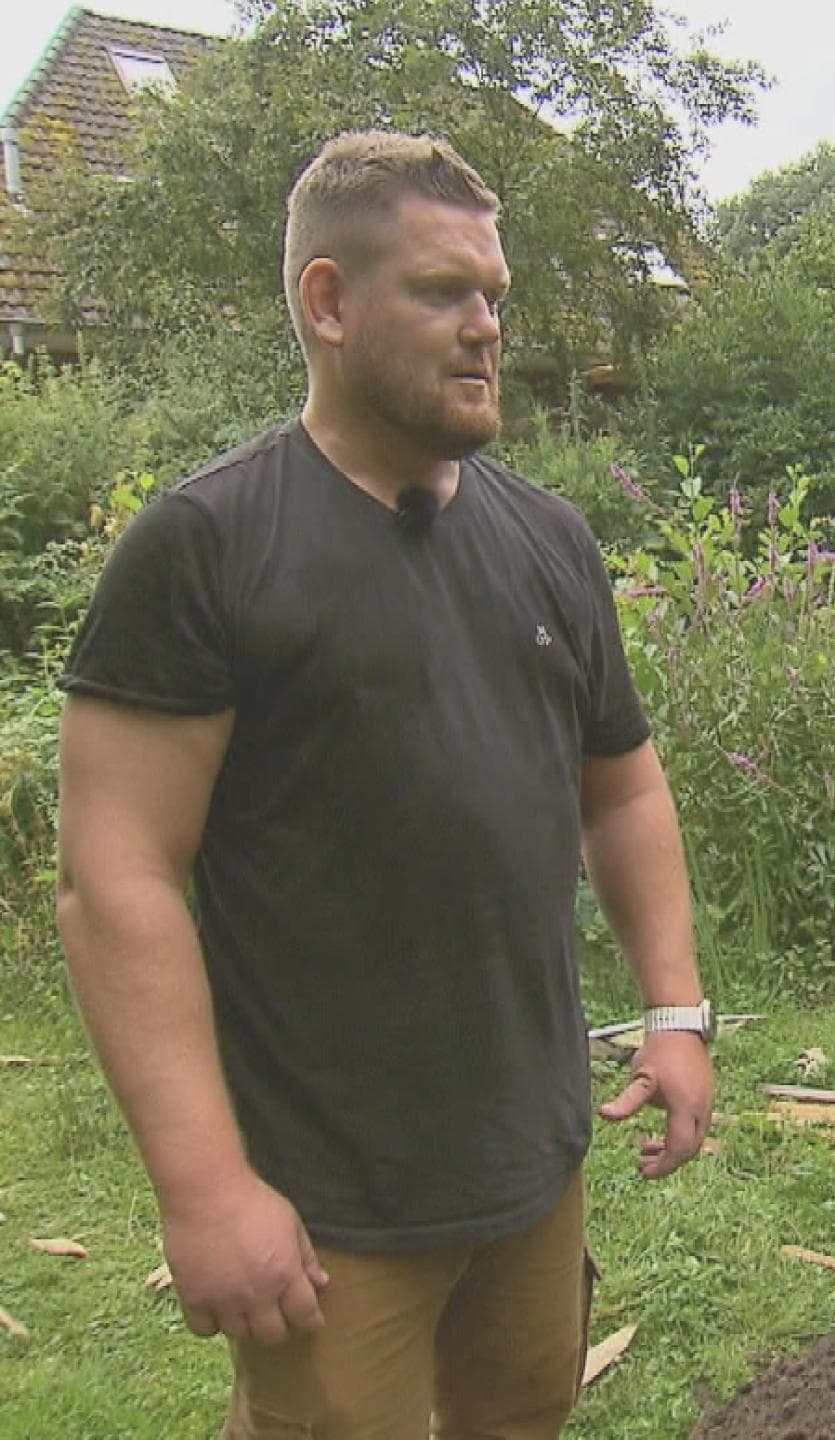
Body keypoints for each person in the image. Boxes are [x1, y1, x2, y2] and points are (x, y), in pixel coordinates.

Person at [54, 131, 715, 1440]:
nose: (485, 328)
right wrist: (204, 1191)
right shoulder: (208, 546)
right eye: (441, 293)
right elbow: (112, 878)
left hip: (530, 1162)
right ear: (329, 302)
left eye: (495, 297)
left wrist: (678, 1009)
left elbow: (622, 788)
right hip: (327, 1209)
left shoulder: (548, 540)